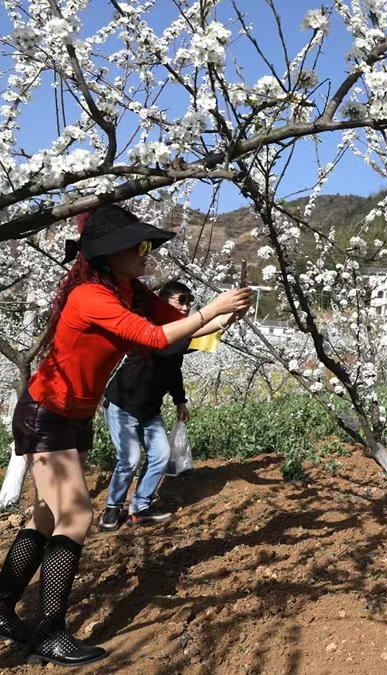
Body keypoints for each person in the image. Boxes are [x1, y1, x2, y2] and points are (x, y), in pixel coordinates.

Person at [0, 205, 251, 666]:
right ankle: (50, 631)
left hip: (73, 415)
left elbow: (174, 329)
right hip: (46, 413)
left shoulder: (129, 290)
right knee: (76, 514)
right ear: (110, 253)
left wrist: (225, 316)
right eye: (139, 246)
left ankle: (1, 607)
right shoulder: (91, 297)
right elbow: (152, 338)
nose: (146, 253)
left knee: (47, 515)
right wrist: (211, 309)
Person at [100, 281, 234, 531]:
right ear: (163, 303)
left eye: (189, 301)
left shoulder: (176, 337)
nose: (186, 306)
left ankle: (140, 508)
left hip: (150, 409)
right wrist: (220, 318)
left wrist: (180, 400)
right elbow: (177, 345)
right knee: (130, 458)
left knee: (161, 455)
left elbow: (174, 370)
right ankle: (112, 509)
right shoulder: (152, 331)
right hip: (123, 405)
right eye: (181, 300)